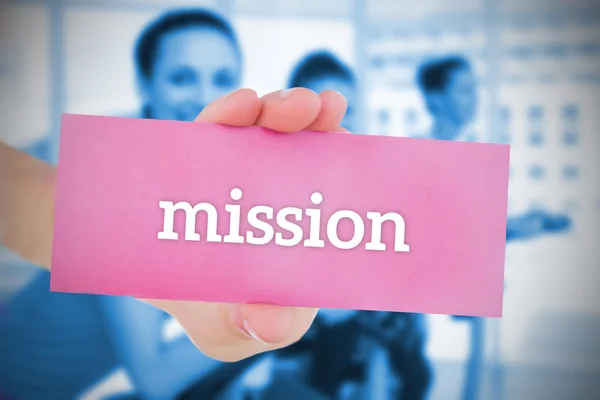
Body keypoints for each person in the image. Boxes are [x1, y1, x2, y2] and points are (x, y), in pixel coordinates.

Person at [0, 9, 349, 400]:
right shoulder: (122, 188)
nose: (204, 96)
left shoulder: (192, 186)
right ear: (145, 86)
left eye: (223, 80)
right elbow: (155, 377)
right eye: (182, 78)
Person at [276, 50, 433, 400]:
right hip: (312, 321)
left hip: (365, 309)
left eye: (349, 111)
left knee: (414, 369)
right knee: (338, 341)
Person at [415, 54, 572, 400]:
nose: (475, 98)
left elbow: (473, 220)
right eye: (464, 90)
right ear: (434, 98)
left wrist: (518, 223)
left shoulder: (473, 155)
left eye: (476, 89)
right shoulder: (415, 152)